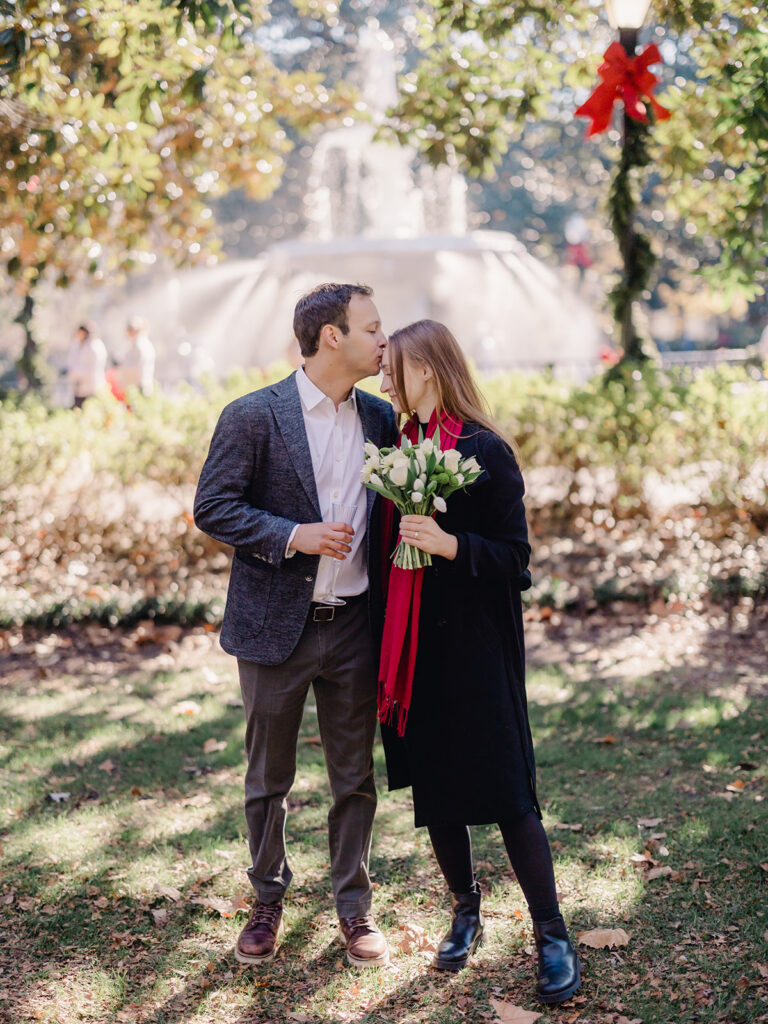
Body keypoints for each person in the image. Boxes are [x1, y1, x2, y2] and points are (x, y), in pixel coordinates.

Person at [377, 319, 581, 1005]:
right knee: (437, 792)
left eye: (395, 367)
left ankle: (551, 932)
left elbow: (516, 561)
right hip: (411, 652)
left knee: (508, 795)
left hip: (477, 648)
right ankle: (466, 910)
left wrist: (450, 545)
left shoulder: (486, 450)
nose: (385, 379)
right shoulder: (395, 447)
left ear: (428, 370)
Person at [194, 283, 397, 968]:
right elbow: (213, 507)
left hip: (357, 626)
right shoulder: (253, 415)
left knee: (354, 777)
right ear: (332, 336)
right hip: (274, 627)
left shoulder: (381, 420)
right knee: (267, 779)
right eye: (373, 328)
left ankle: (354, 908)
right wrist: (294, 535)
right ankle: (266, 899)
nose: (383, 340)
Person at [66, 323, 107, 408]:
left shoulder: (95, 346)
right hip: (78, 386)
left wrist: (77, 371)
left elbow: (93, 367)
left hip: (91, 386)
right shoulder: (76, 345)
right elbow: (71, 362)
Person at [120, 316, 156, 395]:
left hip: (140, 385)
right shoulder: (133, 344)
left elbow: (139, 366)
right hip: (134, 385)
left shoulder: (142, 344)